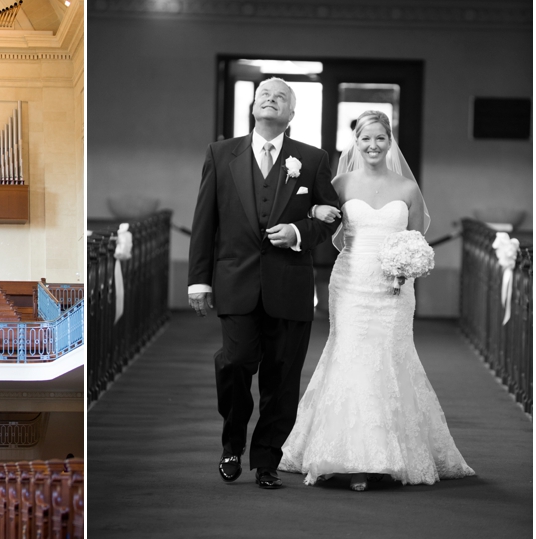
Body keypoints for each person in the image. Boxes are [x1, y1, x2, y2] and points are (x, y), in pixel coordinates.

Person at [279, 110, 475, 491]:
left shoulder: (406, 189)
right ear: (356, 142)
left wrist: (408, 265)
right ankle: (349, 455)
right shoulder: (340, 182)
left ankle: (387, 455)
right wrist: (317, 209)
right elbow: (320, 221)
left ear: (390, 141)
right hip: (351, 281)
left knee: (389, 357)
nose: (372, 145)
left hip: (394, 288)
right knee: (349, 354)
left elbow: (416, 236)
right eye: (365, 138)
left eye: (380, 138)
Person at [188, 77, 341, 489]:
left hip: (290, 285)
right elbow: (205, 221)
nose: (271, 100)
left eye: (281, 97)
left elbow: (330, 215)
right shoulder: (221, 154)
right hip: (235, 281)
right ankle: (232, 443)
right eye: (264, 96)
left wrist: (298, 233)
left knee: (282, 375)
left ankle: (267, 459)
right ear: (253, 108)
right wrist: (198, 281)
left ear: (291, 114)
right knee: (236, 362)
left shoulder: (311, 158)